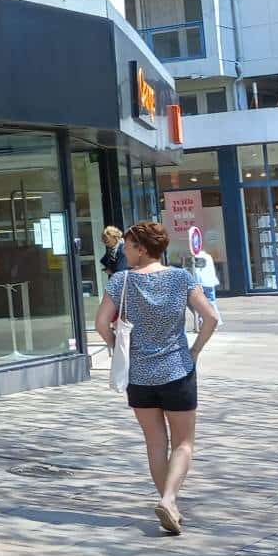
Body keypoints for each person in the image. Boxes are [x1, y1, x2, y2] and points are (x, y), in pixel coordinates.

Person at [94, 219, 219, 537]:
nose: (126, 251)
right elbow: (211, 317)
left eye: (129, 246)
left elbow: (101, 323)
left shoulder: (121, 281)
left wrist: (116, 347)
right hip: (178, 371)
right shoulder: (181, 278)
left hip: (139, 376)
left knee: (155, 443)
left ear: (140, 248)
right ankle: (169, 500)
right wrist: (194, 351)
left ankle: (169, 504)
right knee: (183, 443)